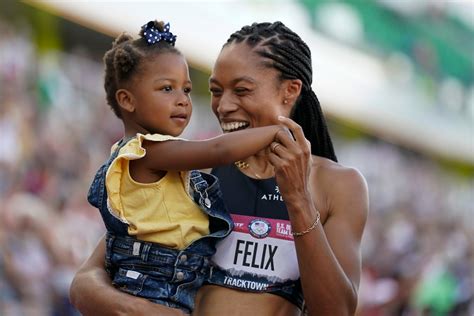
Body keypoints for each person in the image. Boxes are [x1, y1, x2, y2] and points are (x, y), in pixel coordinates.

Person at [70, 21, 369, 316]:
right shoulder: (194, 169)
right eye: (215, 91)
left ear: (289, 91)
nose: (224, 106)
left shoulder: (338, 185)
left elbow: (337, 310)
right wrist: (140, 309)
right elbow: (86, 282)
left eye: (241, 90)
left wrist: (298, 200)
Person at [88, 19, 291, 315]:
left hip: (173, 283)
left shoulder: (159, 156)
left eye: (186, 89)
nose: (183, 100)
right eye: (167, 89)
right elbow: (217, 149)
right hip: (151, 284)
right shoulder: (145, 151)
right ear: (127, 100)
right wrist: (276, 130)